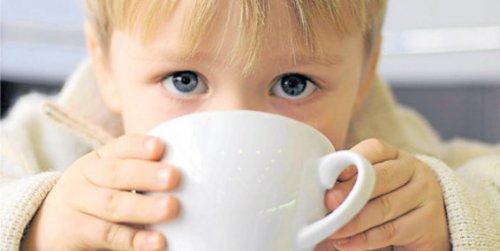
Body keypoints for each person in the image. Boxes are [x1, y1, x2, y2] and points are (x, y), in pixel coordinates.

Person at [1, 1, 498, 250]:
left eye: (294, 84)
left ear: (364, 76)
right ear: (105, 67)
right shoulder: (44, 146)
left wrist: (451, 217)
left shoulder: (390, 155)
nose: (236, 120)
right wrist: (38, 226)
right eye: (184, 79)